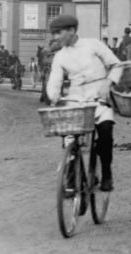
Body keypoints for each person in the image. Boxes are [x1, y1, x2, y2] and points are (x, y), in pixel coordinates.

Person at [45, 14, 123, 192]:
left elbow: (116, 65)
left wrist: (108, 84)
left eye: (58, 33)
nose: (55, 37)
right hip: (75, 98)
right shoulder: (60, 56)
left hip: (98, 95)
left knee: (105, 132)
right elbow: (54, 80)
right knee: (69, 137)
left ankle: (106, 173)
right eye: (54, 34)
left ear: (72, 31)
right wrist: (54, 96)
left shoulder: (93, 45)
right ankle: (73, 178)